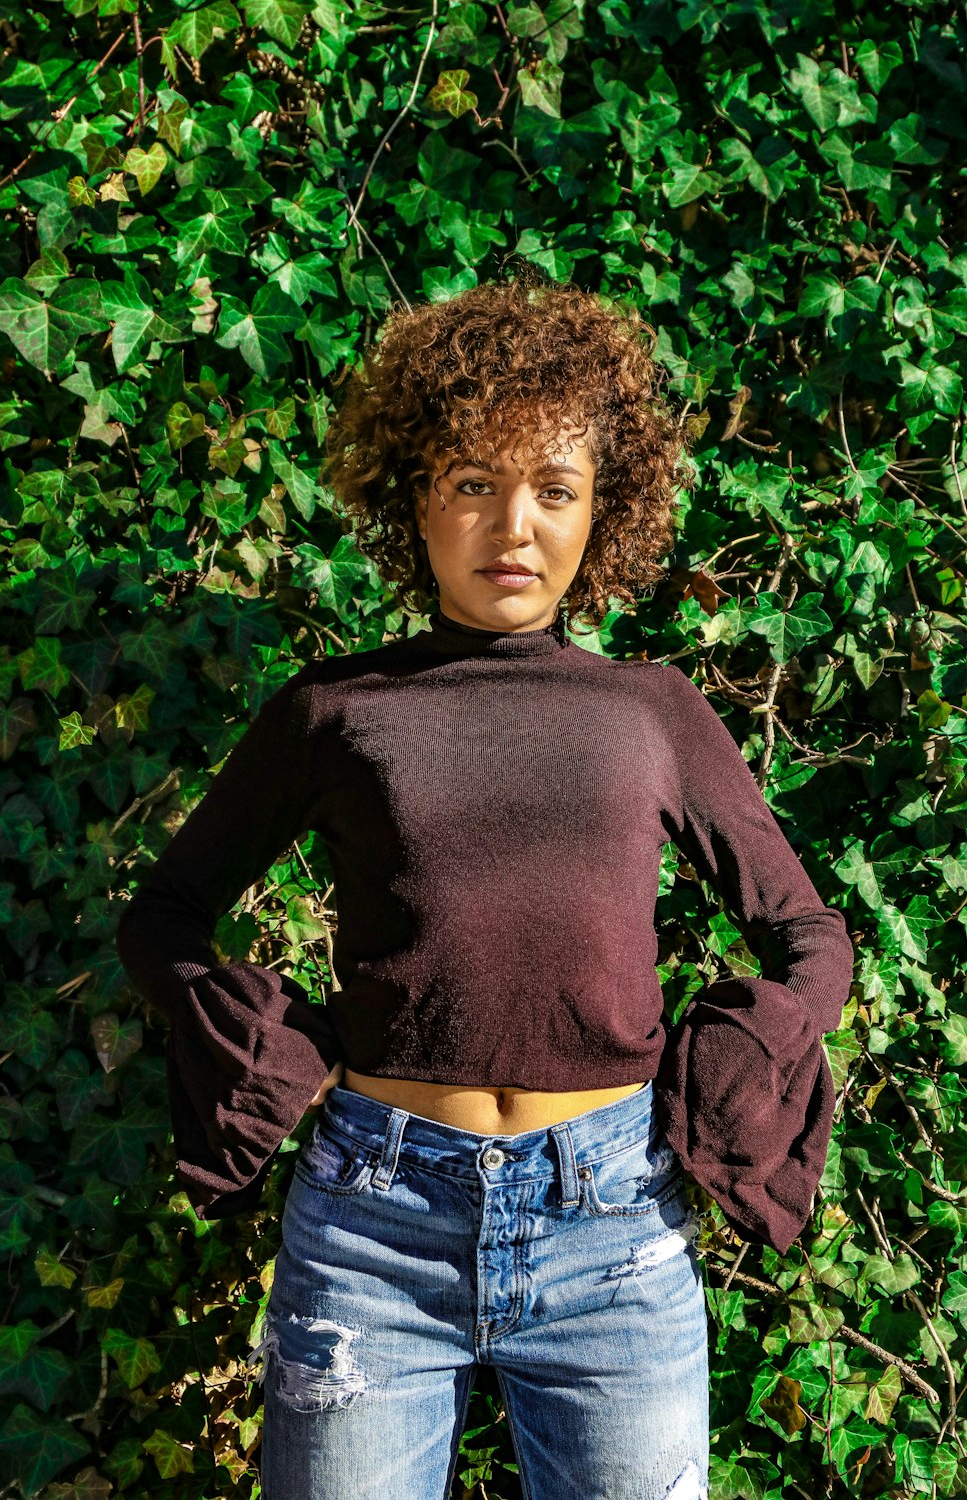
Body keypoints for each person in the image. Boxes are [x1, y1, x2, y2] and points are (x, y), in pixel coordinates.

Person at [115, 274, 854, 1500]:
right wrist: (259, 1037)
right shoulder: (332, 711)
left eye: (553, 491)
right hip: (370, 1228)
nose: (513, 525)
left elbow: (809, 939)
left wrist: (742, 1055)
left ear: (598, 513)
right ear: (415, 498)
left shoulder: (653, 712)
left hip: (614, 1228)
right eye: (473, 483)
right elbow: (165, 917)